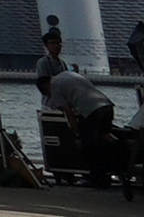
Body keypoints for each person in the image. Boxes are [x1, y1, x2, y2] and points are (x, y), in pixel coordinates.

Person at [41, 25, 122, 186]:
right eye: (53, 43)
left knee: (88, 144)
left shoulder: (55, 83)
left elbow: (68, 112)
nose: (57, 46)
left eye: (58, 43)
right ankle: (118, 164)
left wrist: (77, 134)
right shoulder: (59, 69)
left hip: (91, 111)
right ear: (47, 46)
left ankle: (97, 177)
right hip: (106, 105)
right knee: (105, 136)